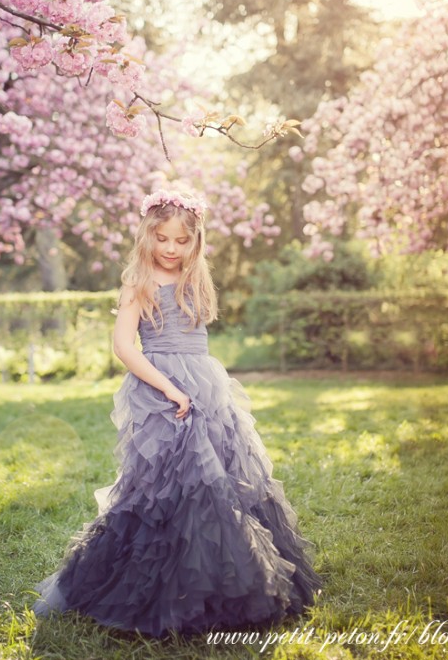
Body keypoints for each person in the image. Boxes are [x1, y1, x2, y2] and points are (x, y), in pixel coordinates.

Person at [32, 188, 321, 636]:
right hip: (160, 388)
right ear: (148, 236)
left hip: (206, 386)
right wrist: (170, 387)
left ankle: (221, 586)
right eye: (162, 239)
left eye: (181, 241)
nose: (171, 249)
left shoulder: (195, 279)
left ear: (195, 241)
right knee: (162, 490)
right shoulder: (139, 283)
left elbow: (196, 340)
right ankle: (151, 587)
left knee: (220, 484)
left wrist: (203, 384)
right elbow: (124, 346)